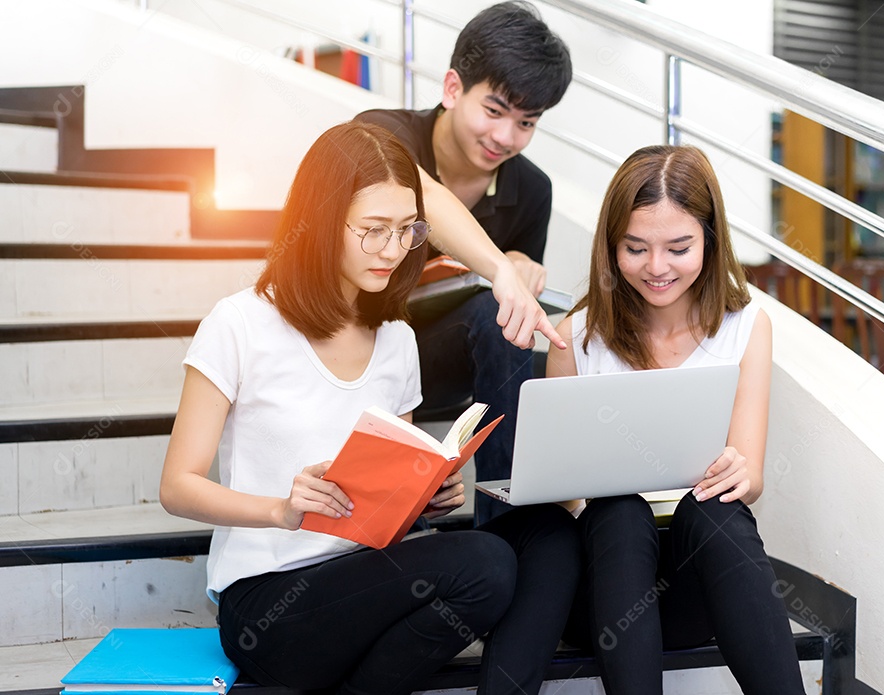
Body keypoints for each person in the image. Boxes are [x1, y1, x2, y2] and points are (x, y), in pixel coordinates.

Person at [160, 121, 580, 695]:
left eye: (409, 230)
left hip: (360, 581)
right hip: (268, 602)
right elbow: (177, 487)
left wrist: (426, 497)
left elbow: (388, 506)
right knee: (486, 563)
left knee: (522, 552)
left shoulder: (397, 339)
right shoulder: (239, 323)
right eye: (374, 230)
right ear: (319, 222)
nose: (393, 250)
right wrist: (282, 509)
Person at [549, 145, 805, 694]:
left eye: (679, 247)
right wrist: (587, 489)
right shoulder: (575, 336)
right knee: (618, 509)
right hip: (602, 590)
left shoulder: (746, 326)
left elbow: (750, 477)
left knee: (713, 511)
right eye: (635, 248)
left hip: (692, 588)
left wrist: (739, 473)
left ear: (710, 242)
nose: (657, 267)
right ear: (611, 245)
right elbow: (562, 497)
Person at [355, 1, 573, 524]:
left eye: (526, 123)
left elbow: (510, 310)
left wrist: (522, 269)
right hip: (359, 350)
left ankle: (508, 525)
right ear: (453, 88)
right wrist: (501, 266)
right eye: (494, 111)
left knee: (516, 335)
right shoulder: (379, 134)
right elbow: (420, 193)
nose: (505, 137)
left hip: (440, 357)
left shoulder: (531, 189)